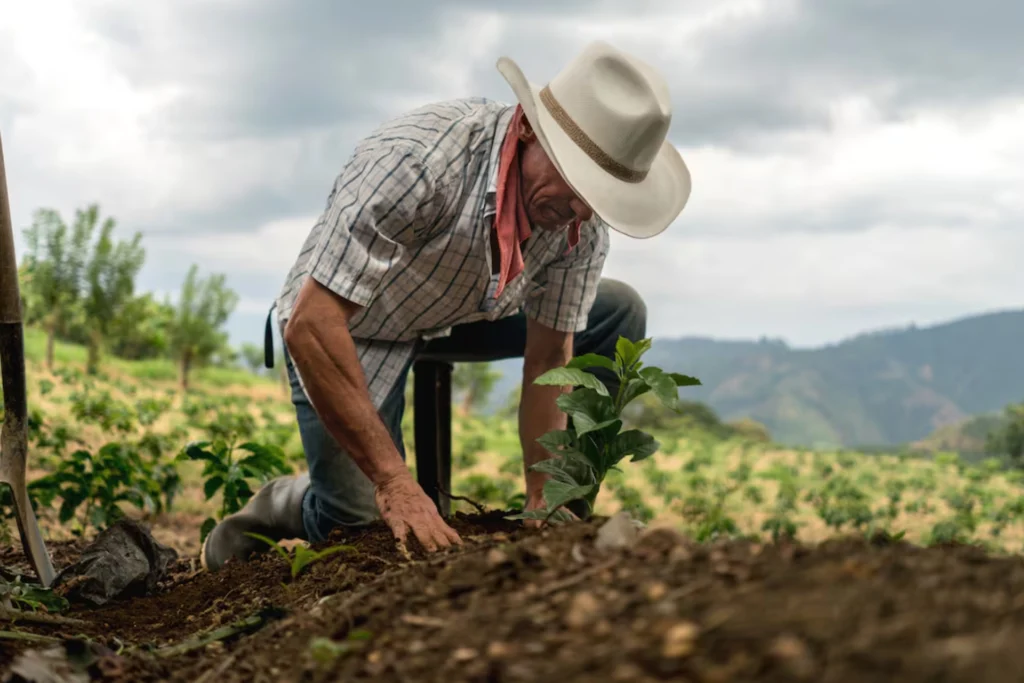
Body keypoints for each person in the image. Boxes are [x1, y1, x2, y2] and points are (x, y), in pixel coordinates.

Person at [200, 40, 691, 572]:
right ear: (527, 128)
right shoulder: (418, 162)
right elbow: (313, 324)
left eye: (597, 197)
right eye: (575, 183)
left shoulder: (578, 223)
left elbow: (551, 358)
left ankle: (565, 514)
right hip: (352, 322)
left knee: (618, 311)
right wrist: (393, 481)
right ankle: (287, 502)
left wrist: (543, 496)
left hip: (461, 311)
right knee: (360, 526)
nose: (579, 211)